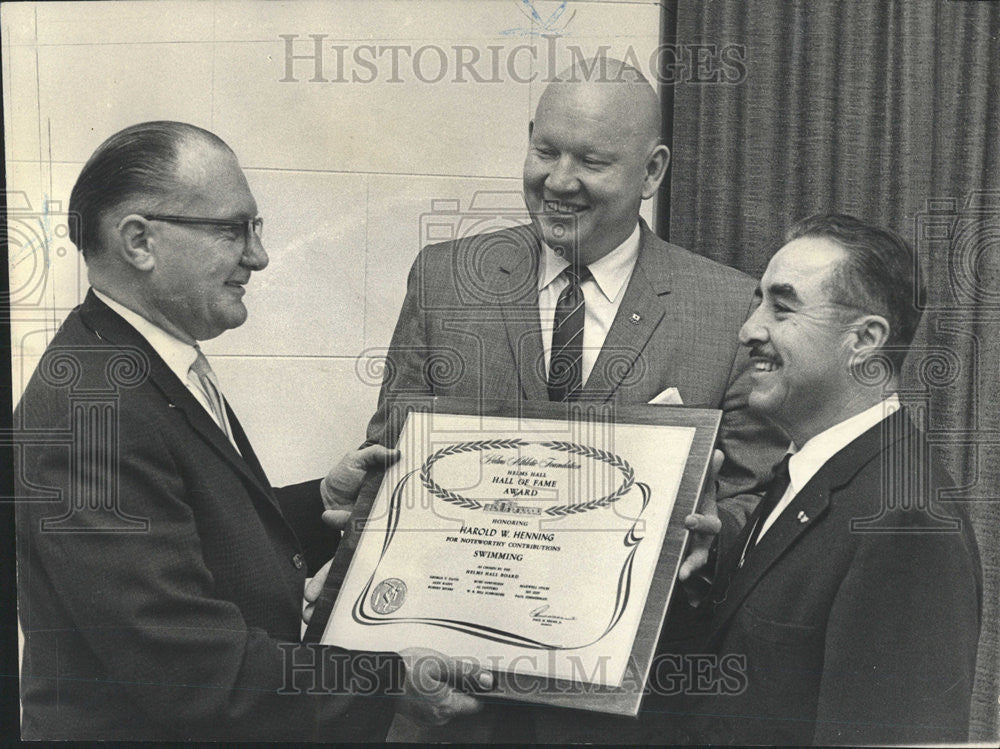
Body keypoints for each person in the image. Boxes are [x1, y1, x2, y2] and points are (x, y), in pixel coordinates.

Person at [14, 121, 489, 741]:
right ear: (139, 241)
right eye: (231, 229)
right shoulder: (91, 414)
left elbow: (198, 536)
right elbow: (194, 675)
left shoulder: (139, 364)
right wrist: (389, 682)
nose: (258, 256)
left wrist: (323, 501)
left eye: (254, 230)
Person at [366, 57, 785, 742]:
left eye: (591, 160)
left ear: (652, 172)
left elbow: (753, 497)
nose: (559, 181)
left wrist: (712, 533)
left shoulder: (729, 307)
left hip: (634, 713)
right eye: (544, 150)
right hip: (457, 708)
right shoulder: (444, 279)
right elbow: (392, 458)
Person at [664, 214, 981, 745]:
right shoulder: (804, 470)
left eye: (782, 308)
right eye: (757, 302)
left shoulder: (907, 523)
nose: (748, 331)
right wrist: (704, 576)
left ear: (864, 340)